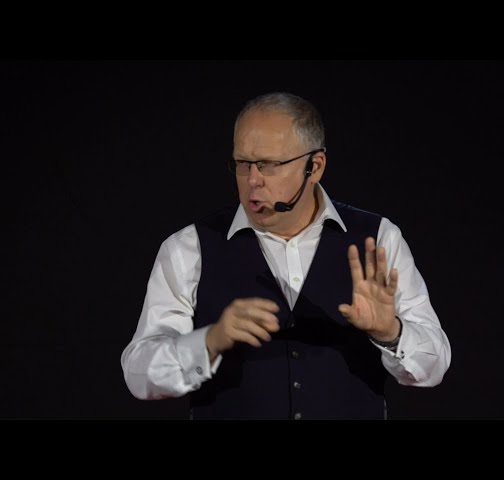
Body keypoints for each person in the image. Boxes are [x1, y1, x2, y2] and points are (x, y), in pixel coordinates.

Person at [121, 92, 451, 419]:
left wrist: (390, 332)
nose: (252, 180)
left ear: (314, 167)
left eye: (269, 165)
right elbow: (139, 374)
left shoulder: (378, 240)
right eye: (242, 163)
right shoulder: (188, 248)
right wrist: (209, 341)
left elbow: (434, 366)